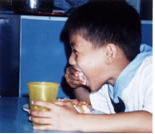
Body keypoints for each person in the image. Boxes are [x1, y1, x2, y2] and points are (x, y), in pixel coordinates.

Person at [29, 1, 152, 132]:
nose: (70, 60)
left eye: (75, 51)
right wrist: (77, 85)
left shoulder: (149, 71)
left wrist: (75, 121)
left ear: (109, 53)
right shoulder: (109, 80)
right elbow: (91, 104)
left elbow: (150, 122)